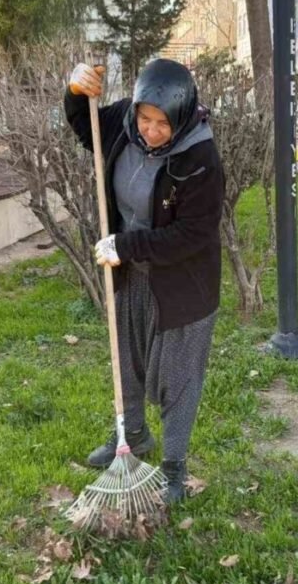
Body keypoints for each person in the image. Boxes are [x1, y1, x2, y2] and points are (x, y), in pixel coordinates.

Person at [65, 59, 224, 504]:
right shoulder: (124, 121)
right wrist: (75, 91)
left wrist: (128, 245)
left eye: (162, 124)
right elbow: (86, 127)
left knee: (177, 377)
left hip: (183, 284)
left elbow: (194, 234)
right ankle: (133, 436)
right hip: (130, 270)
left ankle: (173, 468)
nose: (151, 131)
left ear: (182, 117)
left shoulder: (200, 159)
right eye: (145, 119)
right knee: (127, 359)